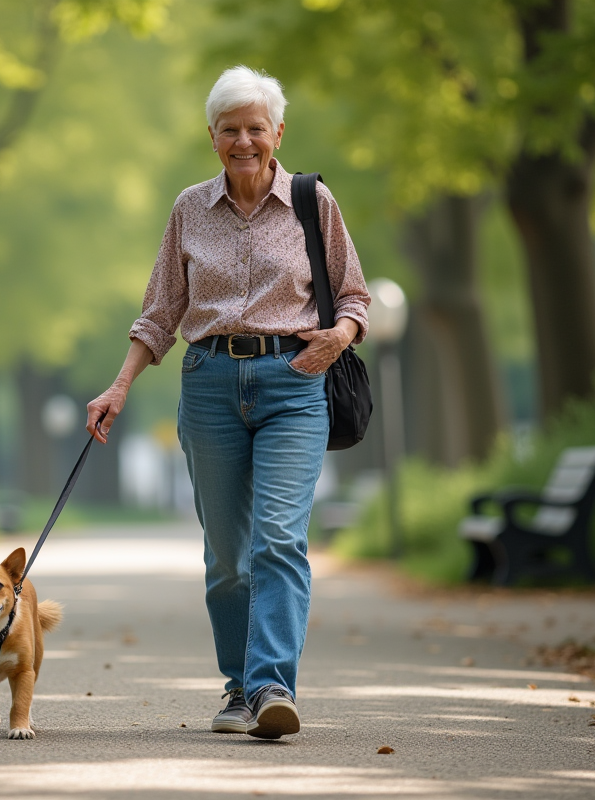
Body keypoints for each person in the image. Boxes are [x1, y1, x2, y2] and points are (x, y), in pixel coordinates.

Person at [85, 65, 370, 740]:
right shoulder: (189, 208)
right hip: (210, 383)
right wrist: (119, 385)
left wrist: (339, 337)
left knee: (279, 539)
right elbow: (161, 312)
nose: (244, 141)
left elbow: (354, 295)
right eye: (229, 129)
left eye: (255, 128)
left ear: (278, 133)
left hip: (293, 382)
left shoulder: (312, 202)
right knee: (226, 557)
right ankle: (239, 687)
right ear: (211, 136)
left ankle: (271, 686)